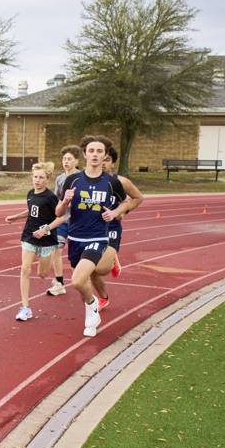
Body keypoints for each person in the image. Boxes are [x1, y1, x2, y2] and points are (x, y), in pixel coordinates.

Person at [56, 134, 133, 338]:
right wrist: (65, 201)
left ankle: (92, 308)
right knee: (83, 281)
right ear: (84, 154)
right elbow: (58, 212)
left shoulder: (111, 183)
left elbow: (126, 202)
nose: (95, 154)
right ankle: (92, 311)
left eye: (100, 151)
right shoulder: (72, 180)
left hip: (98, 238)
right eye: (91, 151)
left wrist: (115, 213)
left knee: (78, 280)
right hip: (75, 239)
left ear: (105, 155)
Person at [5, 162, 64, 321]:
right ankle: (25, 307)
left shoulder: (51, 198)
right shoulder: (31, 193)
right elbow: (31, 209)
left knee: (42, 274)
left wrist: (45, 230)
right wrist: (15, 217)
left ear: (47, 179)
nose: (37, 180)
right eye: (35, 177)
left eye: (41, 177)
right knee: (25, 269)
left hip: (47, 240)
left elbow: (61, 217)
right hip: (29, 236)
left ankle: (50, 274)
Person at [94, 144, 144, 310]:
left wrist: (121, 211)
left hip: (112, 228)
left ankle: (112, 256)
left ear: (113, 163)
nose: (103, 162)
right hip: (91, 229)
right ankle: (103, 298)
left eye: (107, 160)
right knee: (90, 271)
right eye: (101, 158)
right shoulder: (88, 181)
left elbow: (137, 198)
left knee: (100, 269)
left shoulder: (121, 182)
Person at [47, 145, 81, 297]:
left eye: (69, 159)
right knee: (56, 249)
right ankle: (59, 282)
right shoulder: (60, 179)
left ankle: (82, 279)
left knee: (77, 254)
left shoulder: (82, 178)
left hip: (78, 221)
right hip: (62, 220)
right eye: (64, 159)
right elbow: (57, 199)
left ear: (76, 161)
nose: (66, 162)